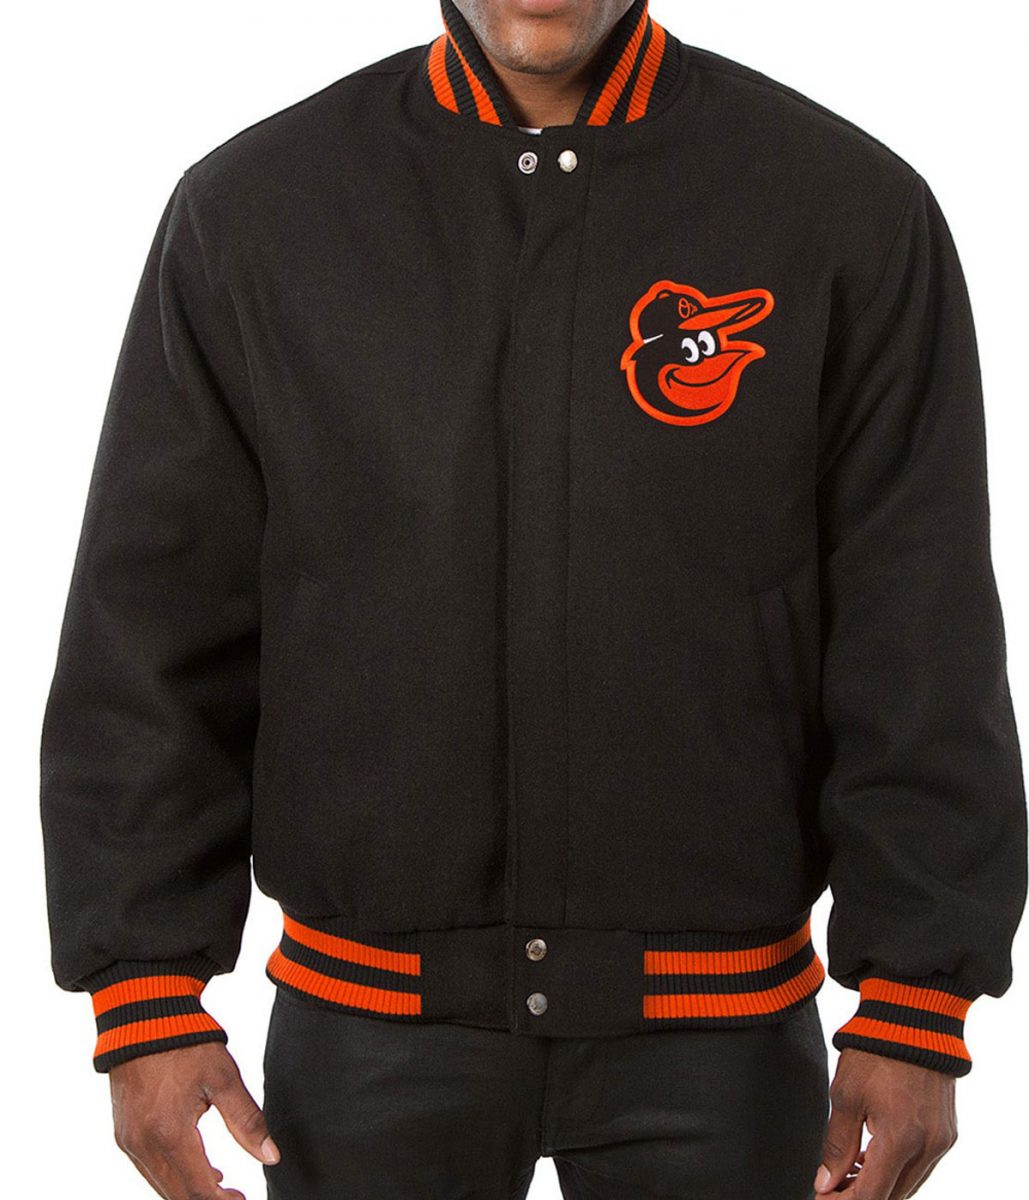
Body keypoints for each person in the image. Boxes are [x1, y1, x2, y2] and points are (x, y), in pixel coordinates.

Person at [39, 2, 1027, 1198]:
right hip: (367, 1033)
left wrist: (918, 997)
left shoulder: (845, 210)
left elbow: (918, 628)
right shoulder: (256, 212)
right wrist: (143, 988)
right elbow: (151, 625)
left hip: (718, 1039)